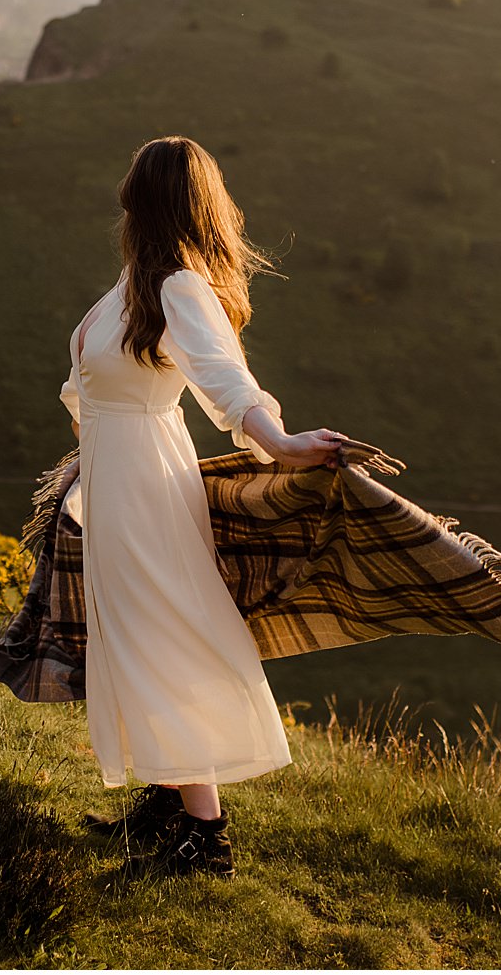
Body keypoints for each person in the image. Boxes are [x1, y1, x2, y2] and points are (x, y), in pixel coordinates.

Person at [56, 135, 349, 878]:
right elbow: (85, 390)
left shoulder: (177, 287)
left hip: (148, 481)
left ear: (144, 201)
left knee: (166, 634)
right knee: (130, 635)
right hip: (118, 480)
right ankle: (165, 796)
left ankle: (204, 836)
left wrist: (279, 443)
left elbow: (225, 381)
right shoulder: (131, 285)